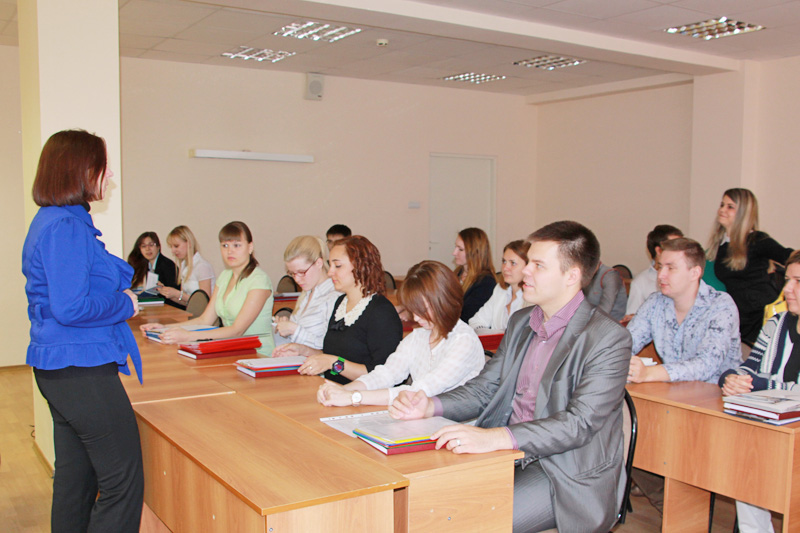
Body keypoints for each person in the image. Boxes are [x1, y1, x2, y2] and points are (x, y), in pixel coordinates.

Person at [390, 221, 631, 532]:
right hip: (508, 452)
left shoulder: (607, 338)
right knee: (420, 501)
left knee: (465, 520)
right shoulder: (521, 322)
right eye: (528, 261)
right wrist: (430, 406)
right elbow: (485, 389)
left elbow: (578, 424)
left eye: (538, 265)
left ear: (571, 276)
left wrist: (496, 438)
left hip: (563, 470)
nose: (525, 271)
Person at [22, 130, 144, 532]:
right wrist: (125, 304)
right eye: (104, 167)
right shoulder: (66, 227)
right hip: (80, 367)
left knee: (76, 482)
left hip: (63, 367)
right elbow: (71, 306)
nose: (111, 176)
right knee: (123, 483)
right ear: (80, 170)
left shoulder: (57, 220)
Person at [317, 260, 484, 407]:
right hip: (419, 418)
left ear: (443, 301)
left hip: (455, 425)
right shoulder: (419, 336)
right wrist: (344, 390)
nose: (416, 318)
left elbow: (418, 391)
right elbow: (387, 373)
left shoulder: (463, 341)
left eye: (422, 310)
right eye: (413, 310)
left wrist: (354, 397)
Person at [719, 250, 800, 533]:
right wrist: (731, 379)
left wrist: (759, 384)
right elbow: (749, 368)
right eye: (787, 280)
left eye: (798, 282)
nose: (787, 289)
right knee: (746, 466)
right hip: (767, 431)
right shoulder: (776, 324)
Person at [274, 236, 403, 384]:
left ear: (360, 266)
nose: (330, 272)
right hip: (334, 389)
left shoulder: (380, 312)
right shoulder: (341, 303)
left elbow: (384, 374)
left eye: (338, 266)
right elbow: (331, 355)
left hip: (361, 395)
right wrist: (303, 350)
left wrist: (333, 363)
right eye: (331, 265)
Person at [141, 221, 275, 355]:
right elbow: (205, 320)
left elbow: (237, 330)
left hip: (258, 354)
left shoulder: (259, 280)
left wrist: (188, 336)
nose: (230, 251)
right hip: (232, 349)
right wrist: (164, 328)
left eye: (237, 245)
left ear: (250, 247)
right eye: (225, 245)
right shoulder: (225, 276)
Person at [628, 238, 742, 384]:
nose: (661, 275)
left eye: (670, 268)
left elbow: (706, 365)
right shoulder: (655, 302)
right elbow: (625, 344)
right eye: (660, 267)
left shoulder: (721, 305)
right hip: (672, 392)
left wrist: (649, 373)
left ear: (694, 273)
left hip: (719, 392)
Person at [707, 188, 793, 346]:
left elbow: (788, 255)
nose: (722, 210)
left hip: (760, 317)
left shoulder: (757, 240)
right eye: (722, 205)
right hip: (741, 317)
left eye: (730, 207)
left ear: (743, 212)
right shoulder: (722, 244)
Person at [273, 236, 340, 350]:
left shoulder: (334, 296)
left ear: (319, 263)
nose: (297, 279)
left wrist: (294, 330)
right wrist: (284, 329)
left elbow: (332, 347)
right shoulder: (307, 294)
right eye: (292, 273)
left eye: (302, 272)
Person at [468, 239, 530, 331]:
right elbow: (475, 321)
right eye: (504, 261)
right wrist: (494, 336)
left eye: (513, 263)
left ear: (528, 267)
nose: (505, 268)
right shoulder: (500, 290)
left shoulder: (532, 298)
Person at [625, 224, 684, 316]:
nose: (682, 251)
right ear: (659, 251)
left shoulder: (687, 276)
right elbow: (632, 318)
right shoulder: (641, 282)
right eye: (675, 247)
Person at [157, 225, 215, 306]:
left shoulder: (202, 266)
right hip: (191, 311)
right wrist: (165, 291)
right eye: (171, 247)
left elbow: (204, 302)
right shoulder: (184, 265)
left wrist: (177, 293)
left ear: (189, 243)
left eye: (176, 246)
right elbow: (185, 302)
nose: (173, 251)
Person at [453, 227, 497, 322]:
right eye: (455, 247)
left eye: (460, 249)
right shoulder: (457, 273)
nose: (454, 253)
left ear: (475, 252)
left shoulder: (486, 282)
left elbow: (467, 317)